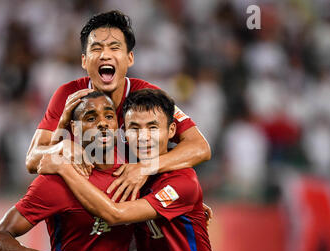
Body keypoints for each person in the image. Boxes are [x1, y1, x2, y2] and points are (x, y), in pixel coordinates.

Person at [38, 89, 227, 251]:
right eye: (134, 128)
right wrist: (64, 134)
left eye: (153, 127)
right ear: (124, 133)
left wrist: (64, 168)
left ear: (171, 130)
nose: (143, 137)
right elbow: (42, 159)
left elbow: (116, 215)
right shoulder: (125, 163)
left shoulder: (182, 183)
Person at [25, 10, 211, 203]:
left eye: (114, 47)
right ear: (84, 60)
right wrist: (62, 146)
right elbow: (32, 160)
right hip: (87, 206)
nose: (105, 55)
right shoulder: (68, 95)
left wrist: (147, 166)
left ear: (130, 58)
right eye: (96, 48)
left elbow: (200, 147)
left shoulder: (148, 96)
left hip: (134, 208)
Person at [0, 92, 138, 251]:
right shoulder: (56, 180)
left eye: (109, 116)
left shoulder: (134, 176)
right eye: (91, 118)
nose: (102, 123)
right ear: (75, 129)